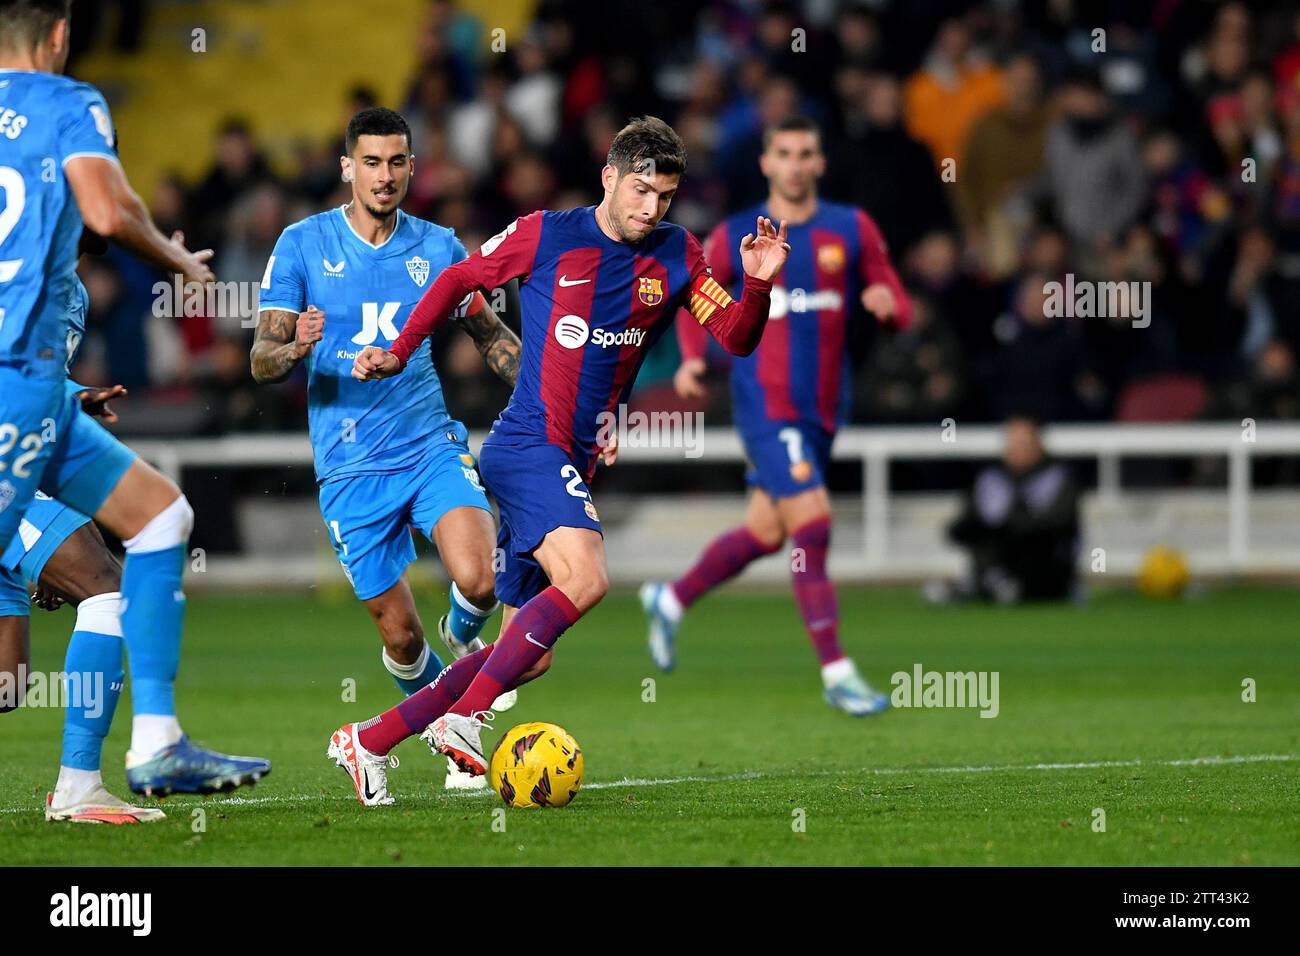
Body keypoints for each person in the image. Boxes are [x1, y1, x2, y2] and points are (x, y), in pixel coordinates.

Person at [331, 115, 787, 804]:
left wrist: (757, 285)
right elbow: (460, 278)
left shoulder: (677, 254)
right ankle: (463, 718)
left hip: (575, 459)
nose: (649, 207)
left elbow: (737, 337)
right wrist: (398, 349)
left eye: (662, 196)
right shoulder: (548, 233)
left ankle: (369, 740)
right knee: (588, 576)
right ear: (609, 177)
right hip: (527, 444)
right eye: (638, 190)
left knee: (529, 656)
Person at [0, 0, 268, 796]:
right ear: (58, 36)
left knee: (161, 515)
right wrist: (176, 257)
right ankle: (100, 771)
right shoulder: (68, 102)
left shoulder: (61, 289)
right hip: (14, 388)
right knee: (106, 574)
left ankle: (150, 745)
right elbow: (108, 208)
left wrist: (65, 396)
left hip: (36, 398)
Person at [251, 107, 521, 791]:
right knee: (400, 637)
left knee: (482, 578)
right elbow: (260, 359)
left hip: (427, 444)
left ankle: (465, 640)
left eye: (398, 161)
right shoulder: (302, 244)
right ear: (347, 167)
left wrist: (556, 399)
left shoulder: (439, 249)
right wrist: (295, 347)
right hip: (347, 468)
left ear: (412, 165)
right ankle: (451, 725)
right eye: (371, 162)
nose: (385, 175)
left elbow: (491, 338)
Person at [640, 115, 912, 716]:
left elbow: (899, 302)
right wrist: (689, 360)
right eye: (783, 152)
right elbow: (692, 297)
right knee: (812, 526)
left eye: (805, 152)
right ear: (766, 163)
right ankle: (837, 671)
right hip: (765, 404)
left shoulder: (852, 228)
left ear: (820, 163)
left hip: (822, 412)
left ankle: (671, 597)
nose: (794, 162)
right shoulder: (740, 232)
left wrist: (888, 308)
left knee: (768, 532)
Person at [929, 416, 1082, 605]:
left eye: (1023, 442)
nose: (1017, 448)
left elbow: (1059, 524)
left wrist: (1007, 527)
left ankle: (993, 586)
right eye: (1013, 442)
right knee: (987, 543)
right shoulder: (991, 479)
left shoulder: (1058, 479)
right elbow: (966, 523)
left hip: (1043, 566)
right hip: (995, 559)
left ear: (1038, 444)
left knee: (1029, 547)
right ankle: (987, 583)